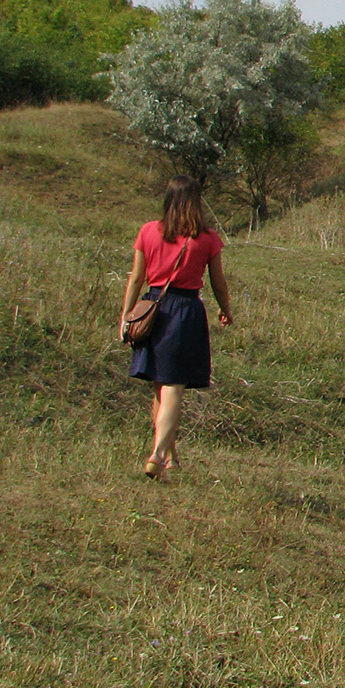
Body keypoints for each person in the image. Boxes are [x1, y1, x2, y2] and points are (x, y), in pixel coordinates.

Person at [118, 175, 232, 480]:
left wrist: (126, 316)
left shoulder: (148, 231)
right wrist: (226, 309)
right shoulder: (207, 239)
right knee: (173, 386)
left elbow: (136, 278)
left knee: (160, 385)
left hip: (152, 308)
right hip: (185, 310)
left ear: (168, 200)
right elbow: (218, 281)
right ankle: (157, 454)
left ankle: (170, 458)